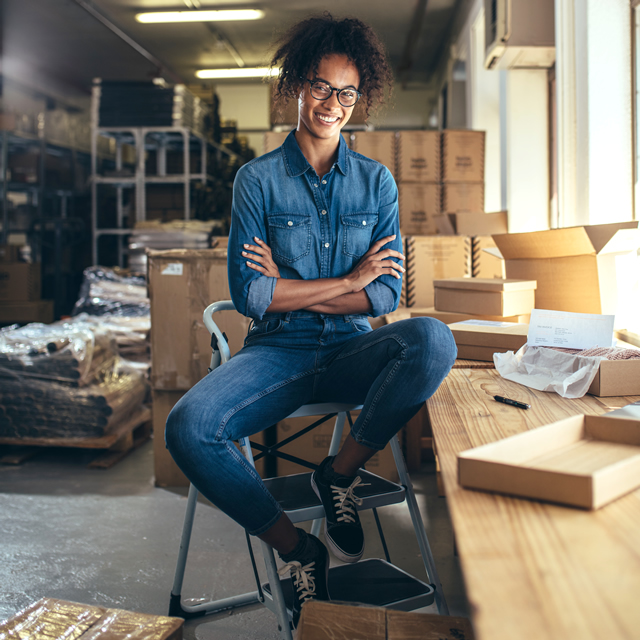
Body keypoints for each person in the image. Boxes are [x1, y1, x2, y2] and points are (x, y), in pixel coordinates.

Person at [165, 12, 457, 626]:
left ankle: (340, 474)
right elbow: (250, 297)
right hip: (278, 354)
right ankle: (299, 551)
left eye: (346, 92)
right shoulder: (257, 181)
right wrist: (348, 281)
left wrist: (293, 287)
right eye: (322, 87)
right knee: (189, 426)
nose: (332, 103)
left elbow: (383, 301)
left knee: (432, 338)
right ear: (298, 84)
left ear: (361, 98)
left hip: (353, 350)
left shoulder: (376, 184)